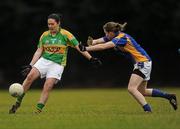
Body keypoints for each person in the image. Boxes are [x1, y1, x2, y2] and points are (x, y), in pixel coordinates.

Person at [9, 13, 102, 114]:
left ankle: (37, 111)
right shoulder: (44, 35)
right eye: (48, 24)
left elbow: (79, 48)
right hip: (44, 60)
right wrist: (30, 65)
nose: (50, 26)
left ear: (58, 23)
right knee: (29, 77)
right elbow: (39, 51)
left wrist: (91, 58)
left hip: (57, 64)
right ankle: (17, 103)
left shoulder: (66, 34)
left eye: (52, 24)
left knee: (48, 85)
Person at [79, 21, 178, 112]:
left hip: (142, 63)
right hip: (145, 62)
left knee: (131, 88)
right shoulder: (117, 36)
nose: (105, 35)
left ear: (111, 32)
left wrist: (86, 48)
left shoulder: (120, 38)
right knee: (142, 91)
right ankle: (170, 96)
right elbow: (103, 40)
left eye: (106, 33)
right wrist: (93, 42)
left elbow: (104, 46)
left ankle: (148, 110)